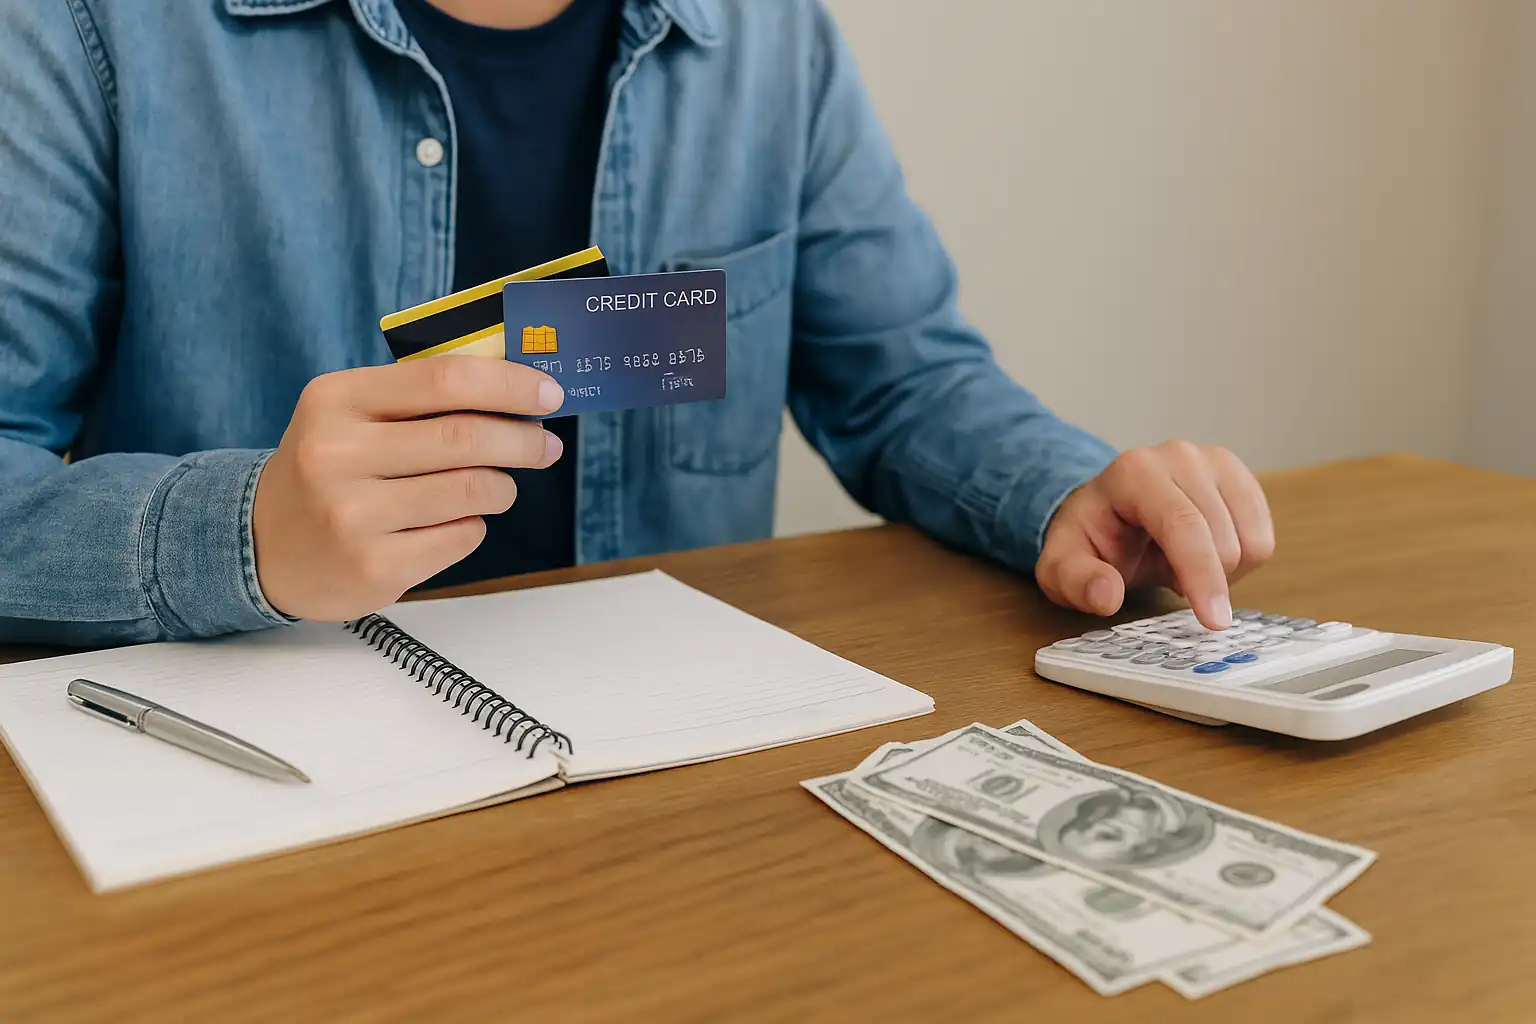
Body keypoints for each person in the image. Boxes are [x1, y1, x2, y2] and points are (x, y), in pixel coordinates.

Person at [0, 0, 1274, 647]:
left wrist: (1057, 494)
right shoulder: (88, 30)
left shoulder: (768, 35)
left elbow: (902, 382)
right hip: (251, 787)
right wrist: (240, 536)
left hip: (665, 792)